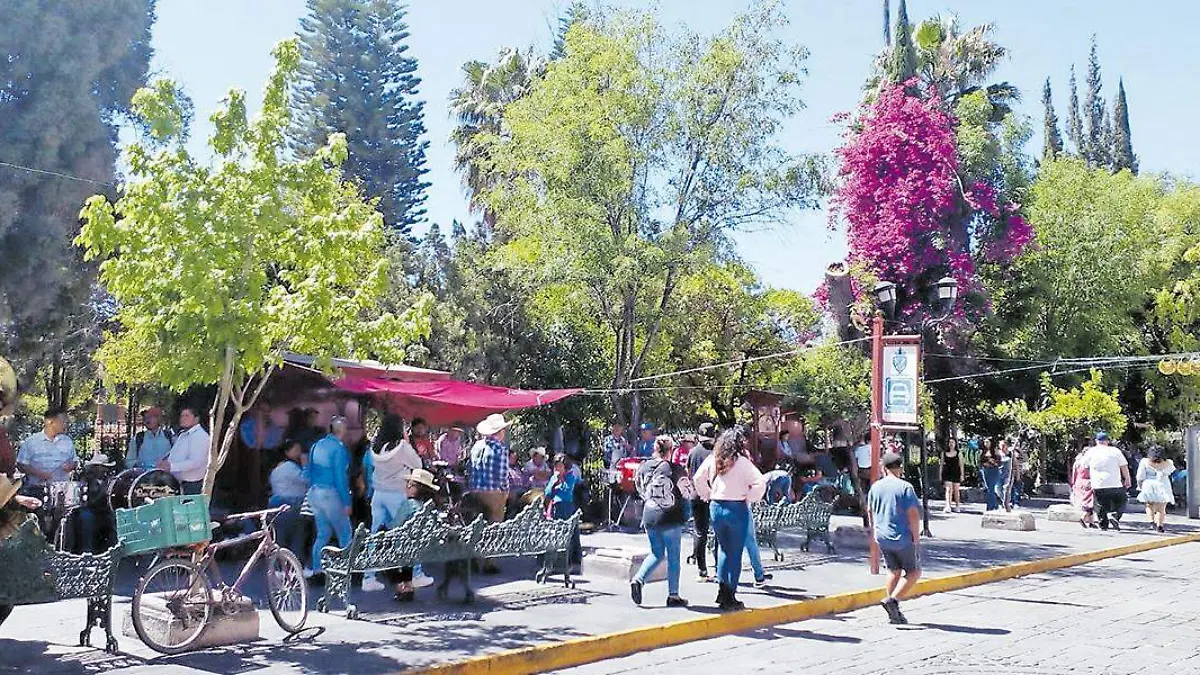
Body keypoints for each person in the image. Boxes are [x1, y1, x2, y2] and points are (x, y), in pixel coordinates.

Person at [693, 428, 766, 611]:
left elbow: (697, 478)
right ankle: (730, 594)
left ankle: (722, 589)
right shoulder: (742, 462)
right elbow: (760, 483)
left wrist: (707, 494)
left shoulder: (713, 459)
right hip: (736, 507)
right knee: (735, 553)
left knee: (723, 550)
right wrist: (749, 496)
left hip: (716, 507)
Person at [363, 419, 431, 591]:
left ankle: (369, 577)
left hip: (378, 494)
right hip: (397, 494)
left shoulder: (376, 448)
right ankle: (414, 574)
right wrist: (407, 444)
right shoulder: (402, 447)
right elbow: (418, 465)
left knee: (374, 535)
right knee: (406, 534)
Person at [630, 436, 690, 608]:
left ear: (655, 449)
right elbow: (687, 491)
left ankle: (639, 579)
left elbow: (639, 487)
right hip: (670, 516)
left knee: (656, 553)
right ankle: (673, 595)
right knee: (673, 557)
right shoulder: (676, 469)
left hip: (649, 514)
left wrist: (650, 500)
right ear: (671, 450)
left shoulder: (643, 467)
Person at [868, 451, 922, 625]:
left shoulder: (875, 487)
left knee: (893, 570)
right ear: (900, 468)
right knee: (914, 572)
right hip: (902, 536)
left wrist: (874, 531)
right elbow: (913, 514)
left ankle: (893, 613)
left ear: (884, 468)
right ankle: (893, 601)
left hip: (882, 535)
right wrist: (916, 536)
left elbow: (870, 511)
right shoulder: (905, 487)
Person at [304, 416, 353, 579]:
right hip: (331, 493)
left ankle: (317, 570)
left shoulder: (316, 445)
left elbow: (307, 473)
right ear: (343, 430)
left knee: (323, 533)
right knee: (345, 533)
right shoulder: (339, 448)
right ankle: (347, 570)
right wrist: (346, 501)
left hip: (315, 493)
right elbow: (340, 477)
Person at [390, 468, 441, 602]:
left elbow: (395, 526)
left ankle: (402, 587)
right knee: (408, 552)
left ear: (419, 489)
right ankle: (408, 586)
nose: (407, 486)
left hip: (404, 547)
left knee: (389, 552)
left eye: (410, 484)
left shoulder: (408, 505)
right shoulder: (429, 506)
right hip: (421, 547)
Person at [268, 440, 310, 564]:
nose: (299, 453)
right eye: (296, 450)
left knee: (279, 537)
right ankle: (295, 565)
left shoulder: (276, 469)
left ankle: (277, 566)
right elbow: (306, 480)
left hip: (275, 503)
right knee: (297, 536)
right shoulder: (291, 467)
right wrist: (305, 464)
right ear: (287, 452)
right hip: (292, 504)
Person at [16, 408, 76, 488]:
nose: (65, 425)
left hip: (62, 490)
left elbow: (75, 461)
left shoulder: (67, 441)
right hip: (36, 489)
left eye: (66, 422)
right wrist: (39, 474)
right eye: (63, 422)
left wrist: (71, 466)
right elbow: (21, 465)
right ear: (50, 422)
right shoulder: (31, 442)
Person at [469, 413, 511, 525]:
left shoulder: (476, 446)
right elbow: (502, 474)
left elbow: (470, 468)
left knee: (477, 525)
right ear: (500, 431)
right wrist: (505, 491)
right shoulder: (500, 449)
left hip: (475, 490)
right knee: (494, 526)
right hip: (493, 492)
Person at [687, 422, 717, 582]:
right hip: (713, 496)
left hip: (696, 495)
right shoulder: (716, 453)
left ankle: (702, 569)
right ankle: (719, 567)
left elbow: (689, 471)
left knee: (700, 533)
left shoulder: (693, 452)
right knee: (718, 532)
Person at [544, 453, 583, 571]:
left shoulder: (571, 477)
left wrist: (558, 486)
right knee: (556, 533)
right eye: (556, 466)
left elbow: (566, 490)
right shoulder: (553, 478)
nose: (557, 469)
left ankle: (572, 561)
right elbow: (547, 493)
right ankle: (556, 562)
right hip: (556, 507)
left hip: (567, 507)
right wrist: (554, 482)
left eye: (560, 466)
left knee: (570, 534)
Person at [158, 407, 210, 495]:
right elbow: (174, 454)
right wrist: (165, 462)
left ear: (196, 419)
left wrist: (171, 466)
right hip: (177, 483)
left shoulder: (200, 436)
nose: (182, 418)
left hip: (192, 486)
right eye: (182, 416)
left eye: (187, 416)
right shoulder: (183, 435)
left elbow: (195, 462)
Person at [1085, 432, 1130, 531]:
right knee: (1122, 500)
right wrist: (1127, 479)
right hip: (1115, 483)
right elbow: (1123, 466)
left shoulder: (1090, 452)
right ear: (1107, 441)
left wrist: (1088, 480)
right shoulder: (1115, 451)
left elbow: (1085, 467)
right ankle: (1115, 515)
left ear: (1096, 441)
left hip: (1098, 483)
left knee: (1100, 504)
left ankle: (1103, 524)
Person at [73, 451, 116, 553]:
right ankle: (87, 550)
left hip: (106, 510)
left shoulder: (110, 480)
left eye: (103, 467)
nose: (102, 470)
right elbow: (86, 500)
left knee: (116, 518)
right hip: (90, 509)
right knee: (86, 517)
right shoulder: (87, 480)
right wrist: (102, 493)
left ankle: (112, 549)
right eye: (99, 467)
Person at [1136, 447, 1175, 533]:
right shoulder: (1168, 462)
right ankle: (1160, 525)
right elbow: (1170, 472)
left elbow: (1140, 476)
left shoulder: (1145, 462)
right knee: (1161, 508)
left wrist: (1140, 486)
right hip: (1163, 484)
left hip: (1149, 484)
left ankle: (1151, 522)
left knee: (1149, 505)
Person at [1069, 447, 1096, 528]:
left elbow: (1074, 475)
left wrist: (1073, 484)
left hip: (1078, 483)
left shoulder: (1077, 462)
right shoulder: (1088, 463)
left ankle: (1091, 522)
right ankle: (1083, 517)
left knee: (1085, 501)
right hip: (1088, 482)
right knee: (1090, 502)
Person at [941, 437, 964, 513]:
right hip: (947, 473)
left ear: (955, 444)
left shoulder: (958, 453)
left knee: (956, 490)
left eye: (953, 442)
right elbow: (941, 464)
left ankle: (957, 506)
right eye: (950, 442)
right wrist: (940, 474)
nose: (951, 444)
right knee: (948, 489)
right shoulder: (944, 453)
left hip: (956, 472)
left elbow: (961, 464)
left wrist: (962, 475)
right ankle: (948, 505)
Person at [979, 438, 1002, 512]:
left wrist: (991, 461)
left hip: (993, 471)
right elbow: (980, 461)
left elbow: (999, 462)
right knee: (988, 488)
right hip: (985, 471)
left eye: (987, 442)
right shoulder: (983, 451)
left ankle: (990, 507)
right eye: (985, 442)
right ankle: (995, 504)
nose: (986, 443)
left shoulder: (995, 451)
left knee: (991, 488)